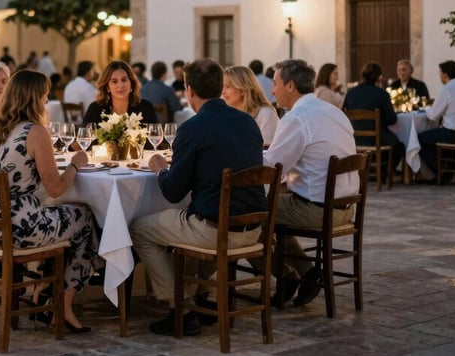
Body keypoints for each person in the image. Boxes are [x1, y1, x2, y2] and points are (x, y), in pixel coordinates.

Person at [130, 58, 266, 336]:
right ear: (219, 87)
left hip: (216, 231)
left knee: (138, 229)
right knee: (192, 217)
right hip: (254, 230)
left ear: (189, 90)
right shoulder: (248, 122)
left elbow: (172, 192)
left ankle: (179, 306)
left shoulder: (192, 128)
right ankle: (195, 296)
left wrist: (160, 169)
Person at [0, 69, 98, 334]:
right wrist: (76, 165)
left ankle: (42, 290)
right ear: (34, 98)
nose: (47, 102)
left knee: (62, 216)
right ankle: (62, 307)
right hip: (19, 227)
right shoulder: (35, 132)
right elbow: (55, 188)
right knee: (85, 218)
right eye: (44, 97)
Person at [263, 59, 358, 308]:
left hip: (317, 210)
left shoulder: (296, 118)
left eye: (275, 84)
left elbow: (272, 167)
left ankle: (288, 275)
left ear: (291, 85)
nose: (272, 90)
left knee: (250, 210)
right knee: (273, 205)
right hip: (346, 208)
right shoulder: (334, 112)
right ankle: (305, 274)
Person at [418, 60, 455, 181]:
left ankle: (440, 173)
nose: (439, 76)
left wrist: (427, 108)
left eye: (440, 73)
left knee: (420, 139)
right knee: (437, 136)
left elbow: (433, 116)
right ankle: (450, 171)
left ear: (444, 75)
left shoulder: (446, 90)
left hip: (453, 134)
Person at [343, 61, 404, 170]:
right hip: (377, 139)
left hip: (354, 138)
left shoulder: (351, 93)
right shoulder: (381, 93)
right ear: (379, 77)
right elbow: (392, 120)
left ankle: (369, 171)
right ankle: (383, 173)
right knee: (399, 147)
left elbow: (344, 115)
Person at [82, 60, 159, 127]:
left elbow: (157, 138)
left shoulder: (145, 107)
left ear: (131, 83)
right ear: (107, 87)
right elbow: (83, 138)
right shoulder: (95, 109)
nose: (120, 85)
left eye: (124, 80)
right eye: (114, 81)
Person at [221, 65, 279, 145]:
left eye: (227, 87)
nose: (223, 92)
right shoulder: (225, 114)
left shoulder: (265, 114)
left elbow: (266, 150)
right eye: (222, 86)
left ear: (242, 89)